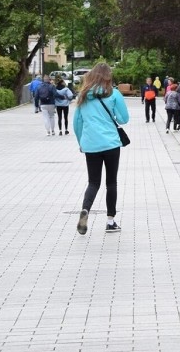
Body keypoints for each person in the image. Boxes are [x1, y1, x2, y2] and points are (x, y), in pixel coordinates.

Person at [73, 62, 130, 234]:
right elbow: (123, 119)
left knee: (93, 182)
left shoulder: (83, 96)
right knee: (111, 182)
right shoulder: (114, 94)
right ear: (108, 76)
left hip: (91, 144)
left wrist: (81, 142)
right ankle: (110, 221)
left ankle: (85, 210)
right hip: (111, 143)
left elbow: (77, 123)